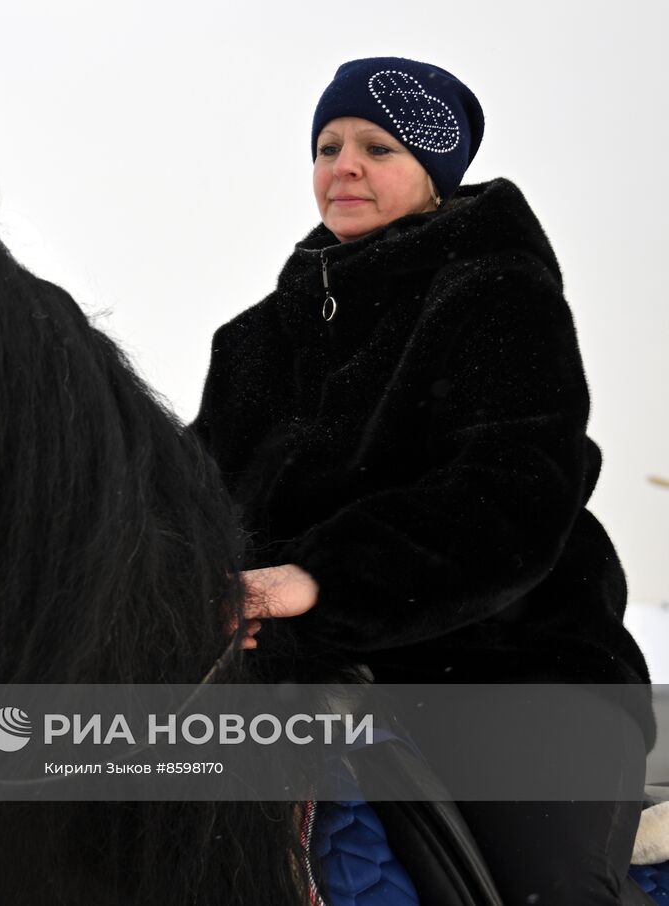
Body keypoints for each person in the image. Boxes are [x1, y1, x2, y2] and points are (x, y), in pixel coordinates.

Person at [190, 56, 654, 904]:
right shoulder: (251, 344)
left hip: (514, 671)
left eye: (379, 147)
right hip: (299, 678)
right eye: (327, 146)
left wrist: (320, 577)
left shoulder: (496, 295)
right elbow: (188, 500)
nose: (344, 167)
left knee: (549, 889)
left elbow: (516, 494)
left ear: (437, 176)